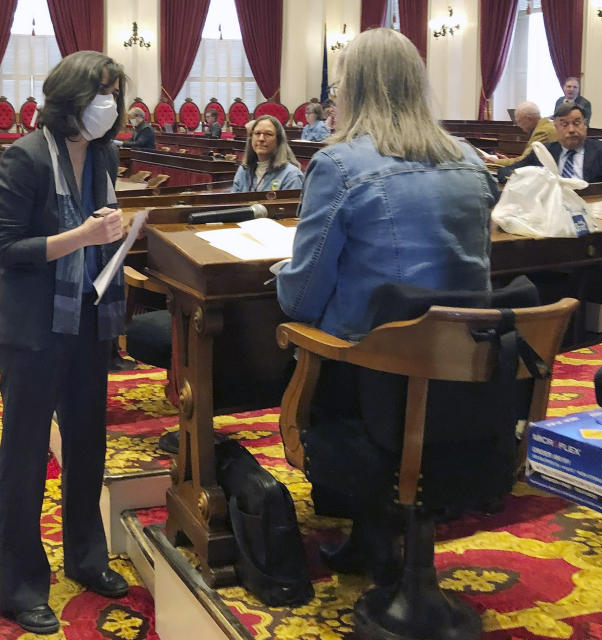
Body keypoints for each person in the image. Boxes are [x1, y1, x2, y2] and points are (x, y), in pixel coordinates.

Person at [275, 28, 496, 585]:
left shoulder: (340, 165)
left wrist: (282, 273)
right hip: (472, 386)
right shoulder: (472, 164)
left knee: (312, 345)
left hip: (377, 394)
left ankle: (369, 519)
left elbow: (300, 299)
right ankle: (378, 534)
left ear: (355, 90)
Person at [0, 50, 130, 635]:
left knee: (88, 445)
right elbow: (8, 251)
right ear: (70, 98)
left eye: (114, 92)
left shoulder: (104, 152)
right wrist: (83, 236)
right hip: (31, 326)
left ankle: (87, 558)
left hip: (88, 320)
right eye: (100, 92)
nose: (109, 104)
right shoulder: (24, 156)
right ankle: (19, 587)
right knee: (24, 455)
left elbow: (100, 228)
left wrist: (113, 236)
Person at [496, 103, 602, 183]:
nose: (571, 130)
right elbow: (506, 172)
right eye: (564, 124)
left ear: (585, 125)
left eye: (576, 123)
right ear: (556, 128)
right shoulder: (544, 152)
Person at [231, 115, 304, 192]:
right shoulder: (243, 170)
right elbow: (233, 202)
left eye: (268, 134)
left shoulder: (291, 175)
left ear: (278, 140)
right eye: (257, 133)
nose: (261, 138)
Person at [482, 101, 556, 167]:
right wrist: (507, 160)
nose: (518, 126)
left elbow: (524, 162)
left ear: (529, 119)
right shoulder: (544, 126)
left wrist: (496, 161)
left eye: (519, 122)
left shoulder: (542, 132)